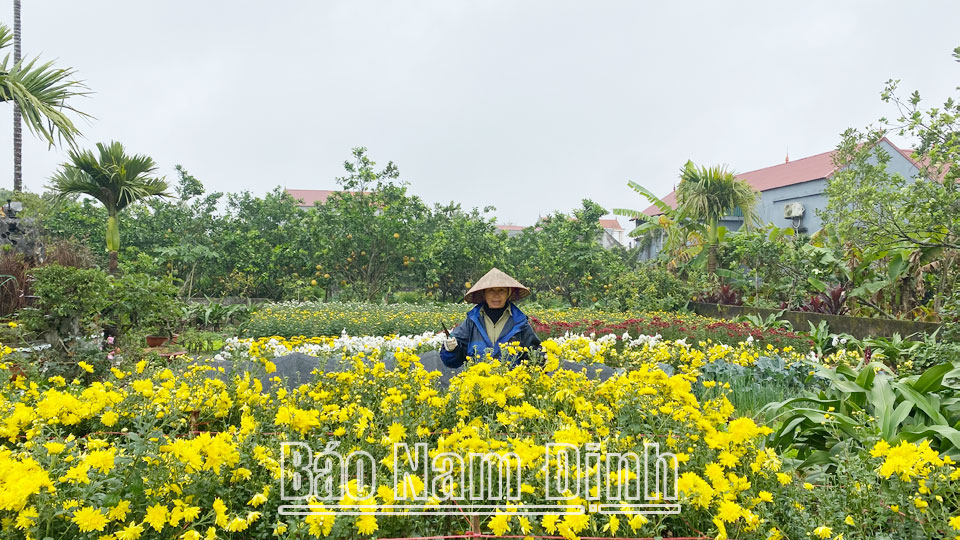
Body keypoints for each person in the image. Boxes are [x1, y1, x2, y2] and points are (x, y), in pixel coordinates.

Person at [440, 268, 541, 368]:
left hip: (512, 382)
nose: (496, 295)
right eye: (491, 291)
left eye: (501, 291)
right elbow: (453, 362)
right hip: (477, 382)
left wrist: (545, 358)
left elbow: (535, 357)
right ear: (484, 294)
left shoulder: (520, 322)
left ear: (508, 293)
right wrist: (451, 349)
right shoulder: (472, 321)